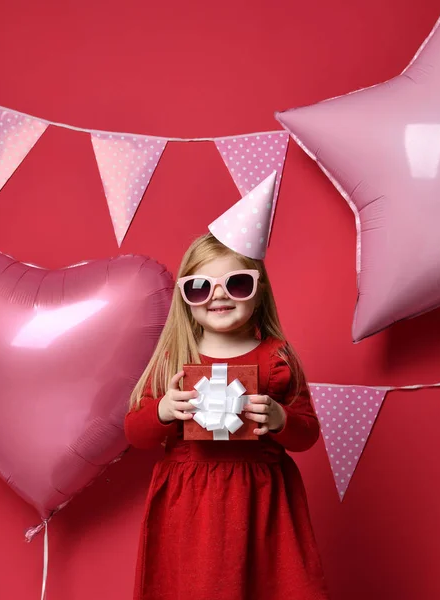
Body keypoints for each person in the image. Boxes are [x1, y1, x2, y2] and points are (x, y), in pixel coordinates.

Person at [124, 173, 329, 600]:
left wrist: (279, 419)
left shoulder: (276, 358)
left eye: (236, 283)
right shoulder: (176, 357)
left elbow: (308, 432)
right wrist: (164, 410)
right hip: (190, 505)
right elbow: (135, 432)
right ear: (186, 298)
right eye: (200, 287)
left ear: (258, 291)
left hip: (261, 501)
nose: (219, 297)